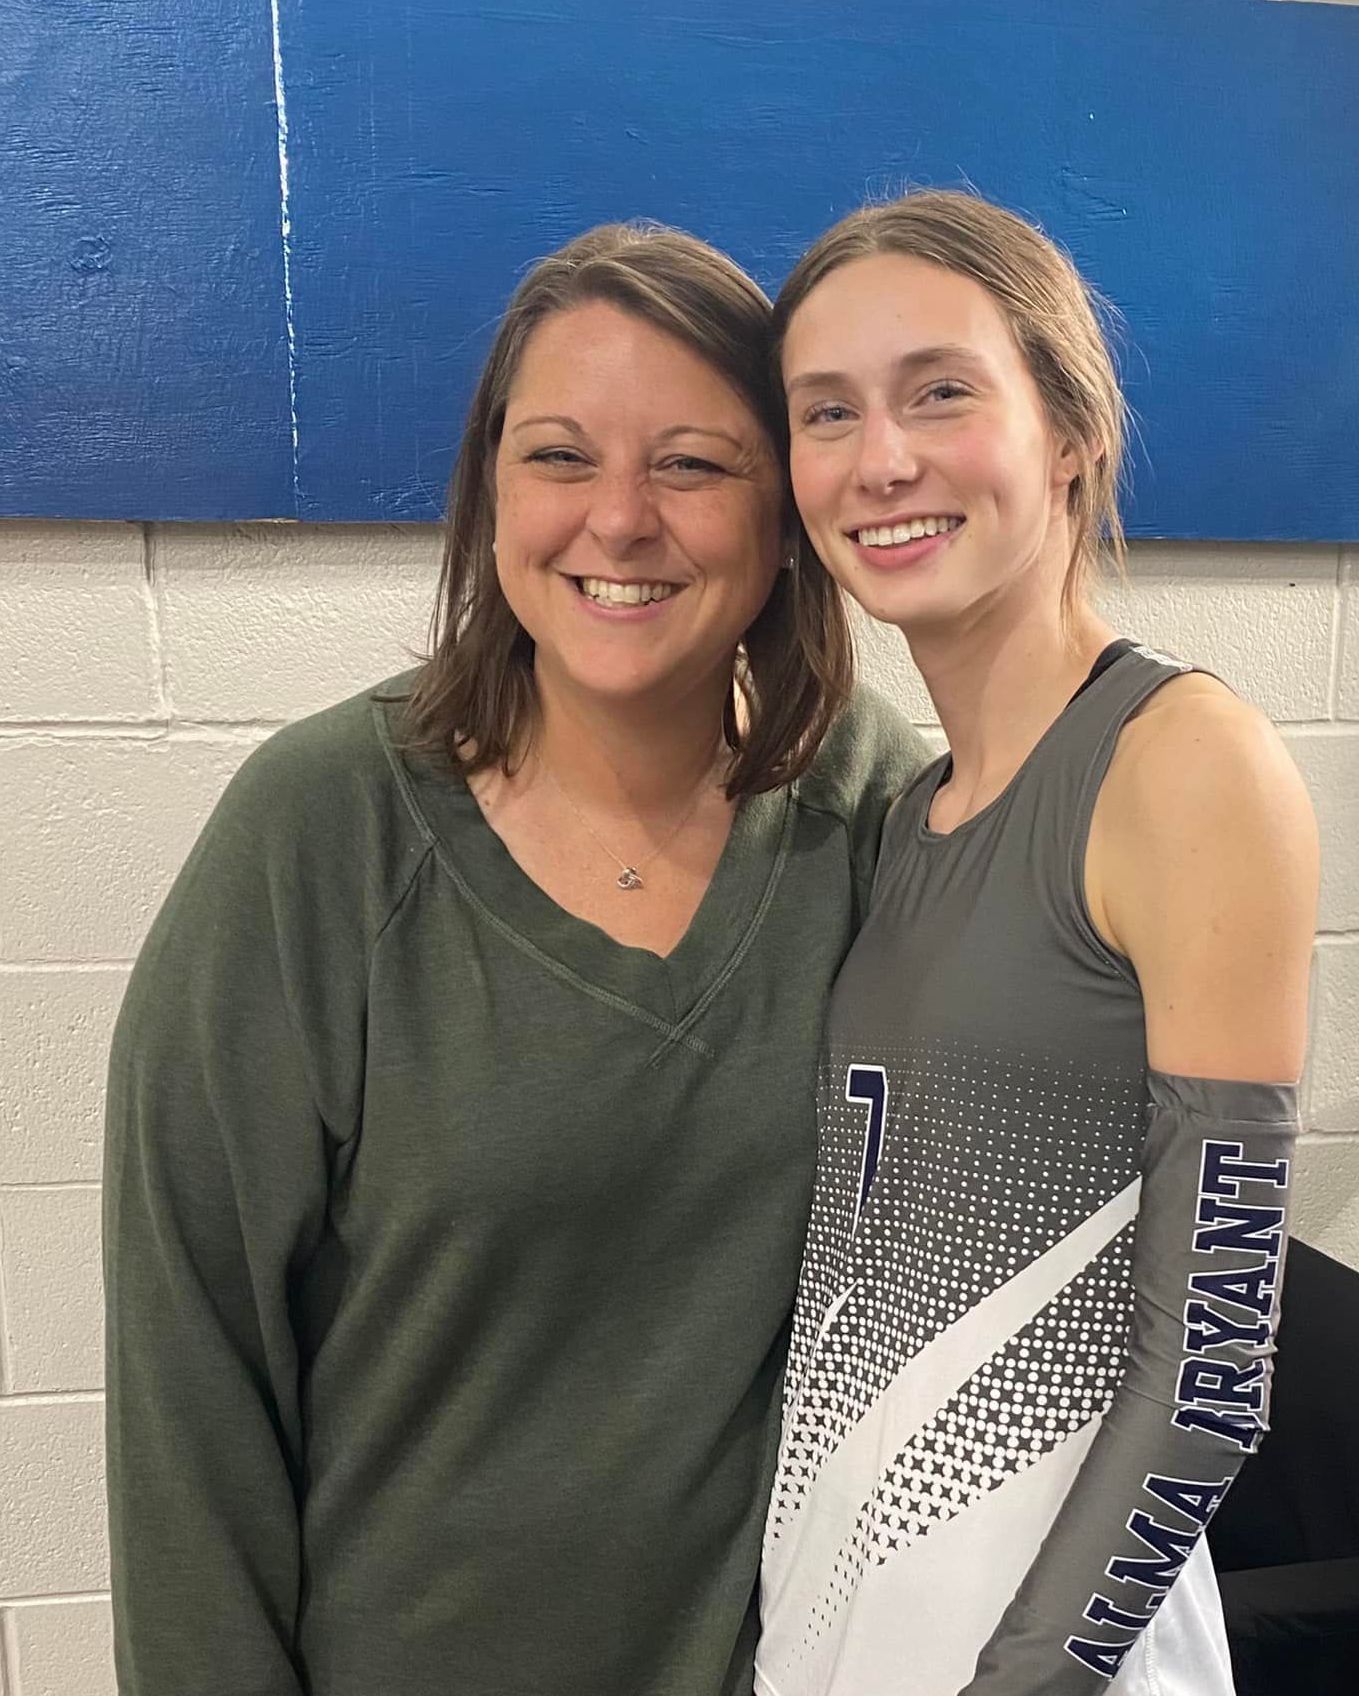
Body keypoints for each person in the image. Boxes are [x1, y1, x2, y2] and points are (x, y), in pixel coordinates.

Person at [103, 222, 926, 1696]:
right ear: (488, 490)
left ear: (785, 513)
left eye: (690, 463)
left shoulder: (868, 809)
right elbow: (190, 1377)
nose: (617, 521)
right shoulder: (322, 834)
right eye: (557, 456)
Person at [755, 190, 1319, 1695]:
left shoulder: (1183, 766)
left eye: (940, 390)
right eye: (826, 413)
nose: (881, 459)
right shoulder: (899, 812)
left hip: (1061, 1645)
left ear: (1063, 429)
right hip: (840, 1599)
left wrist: (1028, 1678)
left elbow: (1209, 1375)